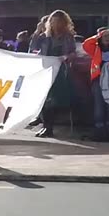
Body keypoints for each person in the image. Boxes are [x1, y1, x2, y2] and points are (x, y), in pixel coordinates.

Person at [28, 10, 77, 138]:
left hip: (60, 70)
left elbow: (73, 53)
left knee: (53, 99)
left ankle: (49, 126)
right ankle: (46, 126)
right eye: (53, 21)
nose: (55, 24)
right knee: (45, 98)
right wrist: (37, 32)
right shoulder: (45, 36)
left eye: (58, 21)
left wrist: (66, 57)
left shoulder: (68, 36)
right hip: (46, 69)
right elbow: (32, 47)